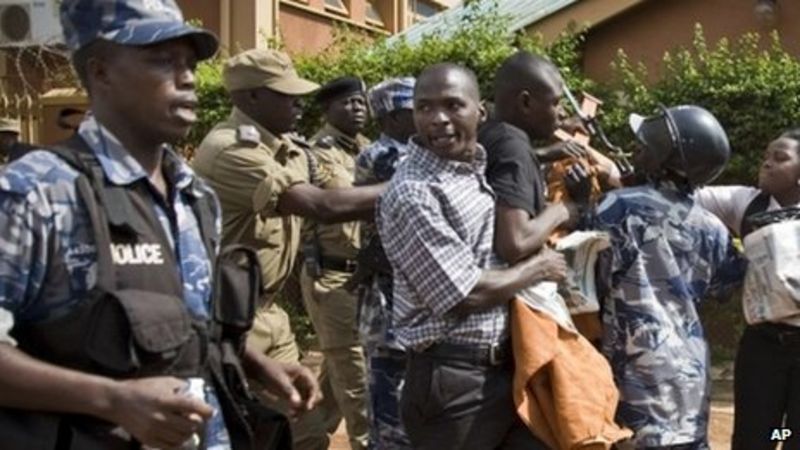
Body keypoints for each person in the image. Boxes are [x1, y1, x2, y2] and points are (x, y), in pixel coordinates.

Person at [0, 1, 321, 450]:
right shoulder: (38, 193)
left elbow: (186, 320)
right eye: (161, 60)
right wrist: (112, 400)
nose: (187, 77)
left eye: (189, 63)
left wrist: (251, 362)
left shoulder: (194, 195)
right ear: (101, 72)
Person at [192, 49, 383, 450]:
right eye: (286, 94)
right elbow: (321, 205)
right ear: (250, 98)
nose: (298, 103)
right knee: (236, 435)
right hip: (228, 320)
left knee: (305, 434)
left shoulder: (281, 146)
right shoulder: (232, 150)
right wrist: (422, 184)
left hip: (268, 313)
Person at [377, 62, 565, 450]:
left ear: (481, 112)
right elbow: (463, 294)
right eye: (424, 108)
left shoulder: (469, 168)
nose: (438, 119)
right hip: (452, 382)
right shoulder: (415, 193)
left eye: (452, 105)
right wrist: (538, 268)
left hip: (501, 370)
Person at [587, 105, 746, 449]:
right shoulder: (713, 228)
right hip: (689, 376)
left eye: (647, 141)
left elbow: (587, 283)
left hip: (632, 375)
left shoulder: (614, 208)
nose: (637, 146)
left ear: (666, 153)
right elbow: (727, 284)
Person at [694, 129, 800, 450]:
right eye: (766, 157)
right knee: (754, 438)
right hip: (763, 347)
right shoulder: (746, 203)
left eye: (779, 158)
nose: (766, 164)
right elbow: (683, 194)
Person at [300, 76, 372, 450]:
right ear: (327, 109)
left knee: (337, 374)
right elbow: (339, 201)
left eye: (361, 101)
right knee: (359, 383)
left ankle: (307, 440)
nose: (357, 108)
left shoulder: (369, 149)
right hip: (332, 275)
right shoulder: (314, 153)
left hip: (363, 276)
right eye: (347, 103)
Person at [353, 76, 416, 449]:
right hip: (386, 304)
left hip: (404, 298)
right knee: (389, 408)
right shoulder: (383, 157)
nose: (426, 117)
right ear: (391, 118)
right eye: (415, 110)